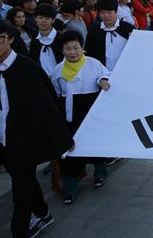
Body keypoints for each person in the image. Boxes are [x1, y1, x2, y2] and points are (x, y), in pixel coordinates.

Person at [0, 19, 73, 238]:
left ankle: (20, 230)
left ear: (9, 39)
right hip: (1, 140)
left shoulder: (28, 68)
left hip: (24, 139)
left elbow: (48, 106)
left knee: (20, 186)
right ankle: (44, 213)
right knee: (23, 178)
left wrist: (62, 137)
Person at [51, 30, 111, 205]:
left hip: (90, 112)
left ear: (82, 48)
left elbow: (105, 74)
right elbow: (56, 92)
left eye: (76, 48)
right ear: (62, 50)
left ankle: (100, 174)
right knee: (69, 152)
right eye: (68, 48)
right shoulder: (58, 70)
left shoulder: (93, 63)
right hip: (68, 115)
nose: (72, 52)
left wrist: (103, 81)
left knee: (96, 146)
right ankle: (70, 187)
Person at [84, 0, 134, 73]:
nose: (106, 16)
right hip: (101, 73)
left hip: (125, 71)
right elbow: (89, 53)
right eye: (103, 13)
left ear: (116, 12)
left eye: (109, 12)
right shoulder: (94, 30)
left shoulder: (128, 28)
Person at [29, 3, 63, 77]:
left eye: (47, 18)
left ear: (53, 20)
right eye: (40, 18)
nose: (43, 21)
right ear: (35, 18)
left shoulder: (61, 39)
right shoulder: (34, 42)